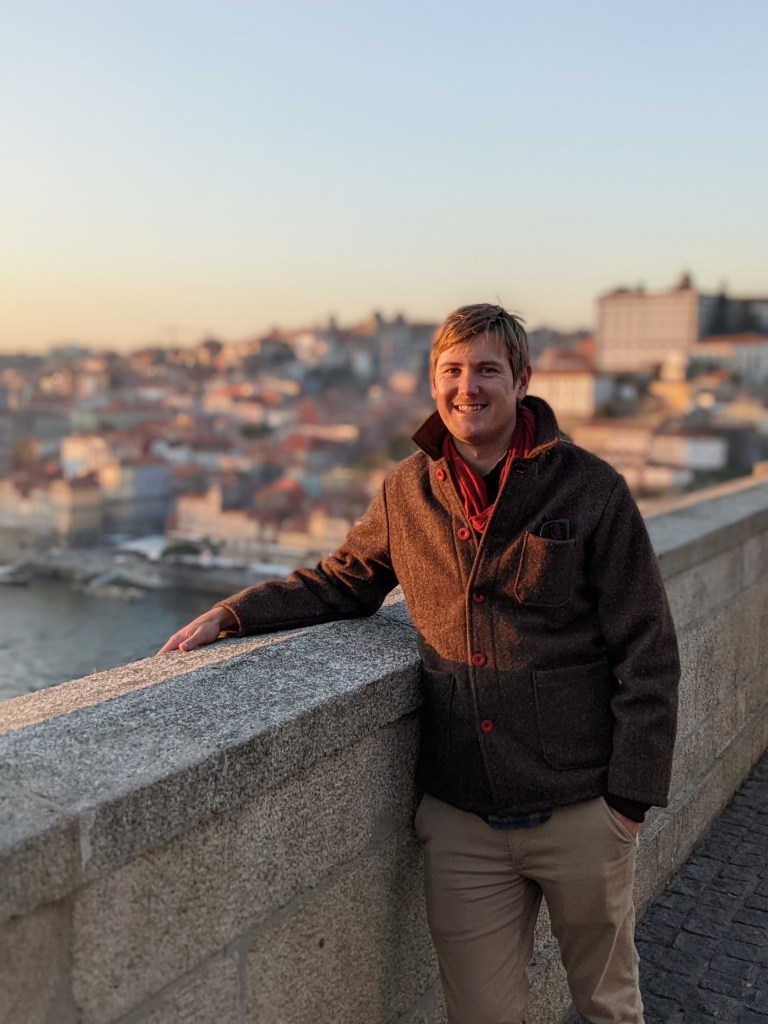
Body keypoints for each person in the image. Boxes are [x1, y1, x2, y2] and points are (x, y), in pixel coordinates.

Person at [158, 303, 680, 1024]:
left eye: (487, 370)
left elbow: (649, 648)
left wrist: (627, 802)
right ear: (433, 382)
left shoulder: (590, 489)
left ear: (522, 380)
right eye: (452, 370)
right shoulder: (408, 489)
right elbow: (343, 580)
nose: (468, 387)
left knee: (608, 1007)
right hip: (464, 815)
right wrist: (234, 613)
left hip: (580, 803)